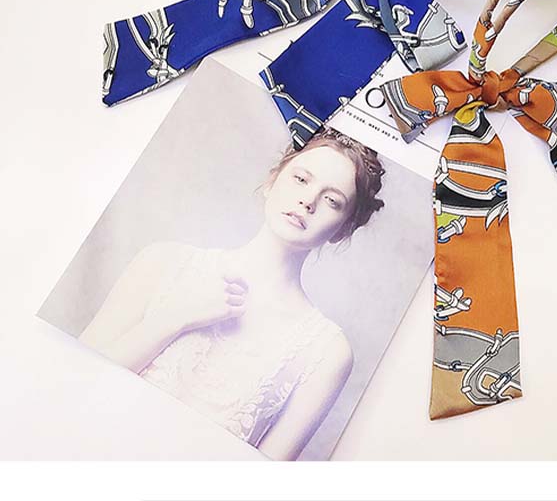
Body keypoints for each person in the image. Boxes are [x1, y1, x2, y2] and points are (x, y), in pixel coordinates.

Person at [79, 128, 385, 460]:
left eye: (332, 201)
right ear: (272, 181)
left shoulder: (327, 351)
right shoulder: (162, 262)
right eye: (301, 179)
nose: (308, 201)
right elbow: (72, 376)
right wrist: (175, 318)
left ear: (344, 229)